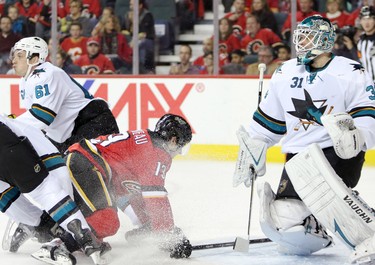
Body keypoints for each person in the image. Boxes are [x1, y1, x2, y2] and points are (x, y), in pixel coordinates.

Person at [233, 15, 375, 257]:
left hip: (337, 152)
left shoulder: (350, 71)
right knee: (285, 217)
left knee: (332, 203)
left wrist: (359, 137)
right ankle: (315, 228)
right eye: (300, 37)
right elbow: (270, 120)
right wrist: (254, 146)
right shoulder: (285, 72)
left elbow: (367, 113)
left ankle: (367, 234)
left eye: (308, 36)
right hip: (298, 159)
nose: (302, 42)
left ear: (325, 39)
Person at [11, 114, 194, 259]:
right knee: (106, 221)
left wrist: (150, 226)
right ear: (172, 140)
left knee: (89, 217)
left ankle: (36, 225)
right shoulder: (158, 153)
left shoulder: (144, 143)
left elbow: (128, 194)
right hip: (85, 163)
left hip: (78, 160)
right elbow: (156, 200)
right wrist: (170, 234)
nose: (178, 152)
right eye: (180, 146)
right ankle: (57, 246)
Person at [0, 115, 109, 264]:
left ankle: (52, 229)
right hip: (11, 145)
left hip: (17, 148)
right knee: (45, 190)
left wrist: (39, 223)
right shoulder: (18, 125)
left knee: (11, 197)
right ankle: (82, 237)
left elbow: (8, 200)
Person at [11, 36, 119, 153]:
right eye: (14, 56)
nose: (14, 60)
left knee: (93, 167)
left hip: (93, 121)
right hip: (69, 132)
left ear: (34, 59)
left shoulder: (48, 73)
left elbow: (43, 116)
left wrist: (9, 125)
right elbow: (36, 121)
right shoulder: (25, 80)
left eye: (19, 56)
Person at [357, 5, 375, 82]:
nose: (366, 22)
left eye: (370, 18)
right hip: (368, 86)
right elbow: (361, 64)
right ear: (360, 21)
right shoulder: (361, 42)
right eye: (363, 19)